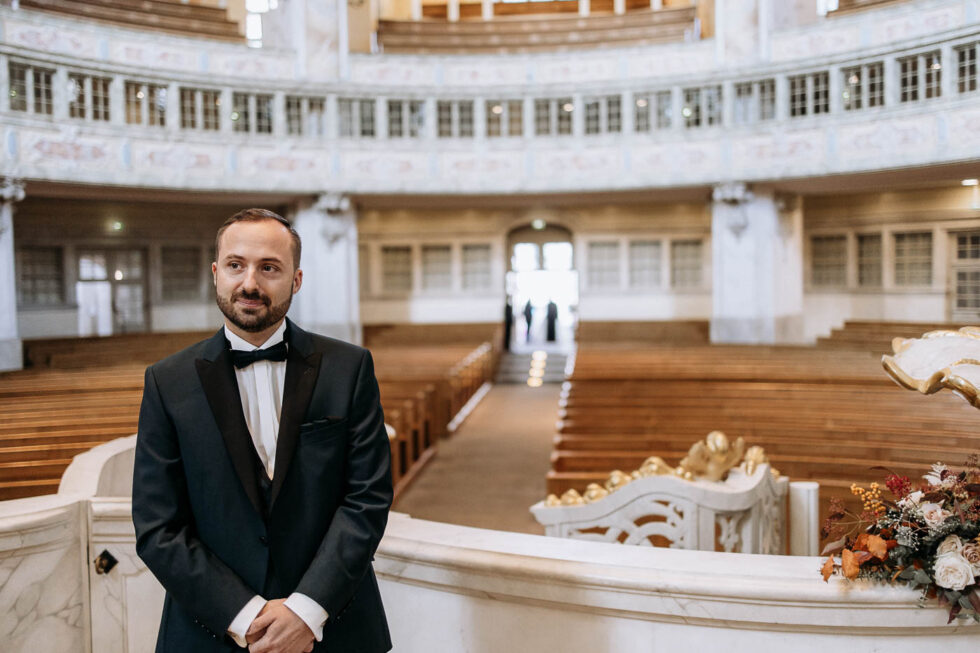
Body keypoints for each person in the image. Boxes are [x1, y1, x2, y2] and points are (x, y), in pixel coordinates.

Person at [132, 208, 393, 653]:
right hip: (210, 632)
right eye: (236, 265)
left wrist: (307, 611)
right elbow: (158, 528)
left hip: (335, 629)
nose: (250, 283)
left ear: (296, 280)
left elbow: (366, 498)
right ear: (216, 273)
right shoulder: (166, 381)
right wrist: (245, 615)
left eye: (269, 267)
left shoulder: (349, 368)